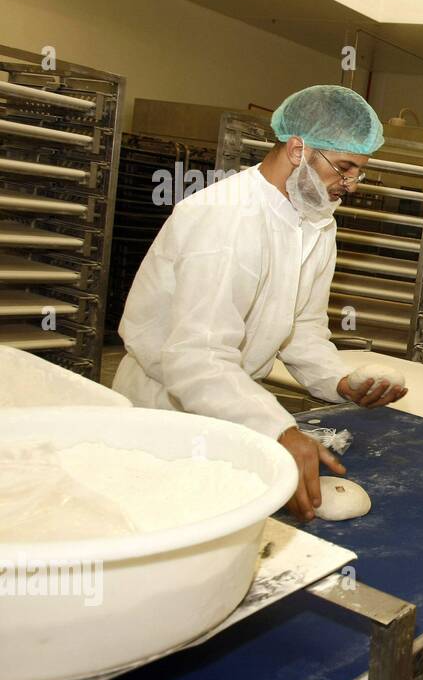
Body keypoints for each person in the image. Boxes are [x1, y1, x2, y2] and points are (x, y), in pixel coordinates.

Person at [114, 85, 406, 521]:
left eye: (359, 172)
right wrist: (277, 429)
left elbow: (302, 327)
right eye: (344, 168)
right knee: (162, 526)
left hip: (235, 401)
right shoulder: (225, 218)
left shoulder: (316, 223)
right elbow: (197, 358)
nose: (351, 185)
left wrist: (339, 383)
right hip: (165, 409)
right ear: (296, 148)